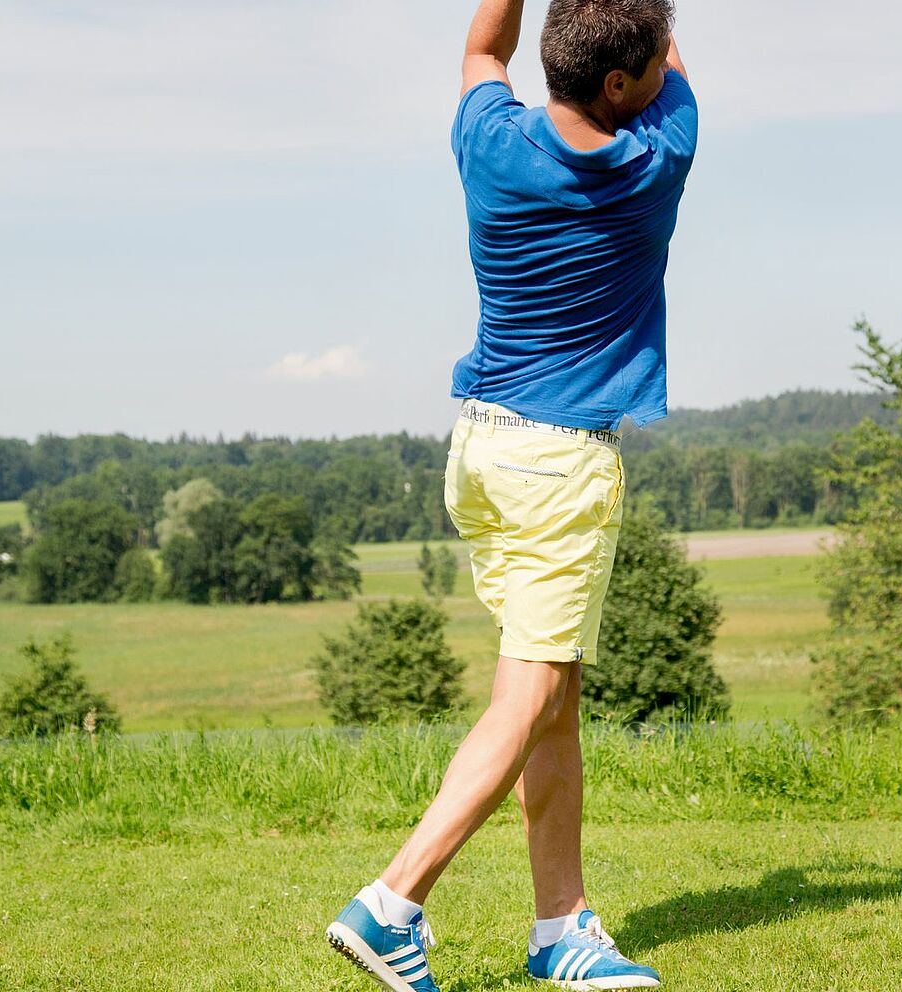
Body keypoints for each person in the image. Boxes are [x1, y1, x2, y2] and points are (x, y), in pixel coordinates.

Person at [327, 0, 697, 988]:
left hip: (481, 451)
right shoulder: (648, 165)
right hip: (559, 467)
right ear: (618, 86)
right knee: (527, 692)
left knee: (553, 698)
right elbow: (669, 57)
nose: (663, 73)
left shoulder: (488, 140)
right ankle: (393, 899)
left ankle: (558, 923)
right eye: (647, 67)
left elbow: (479, 45)